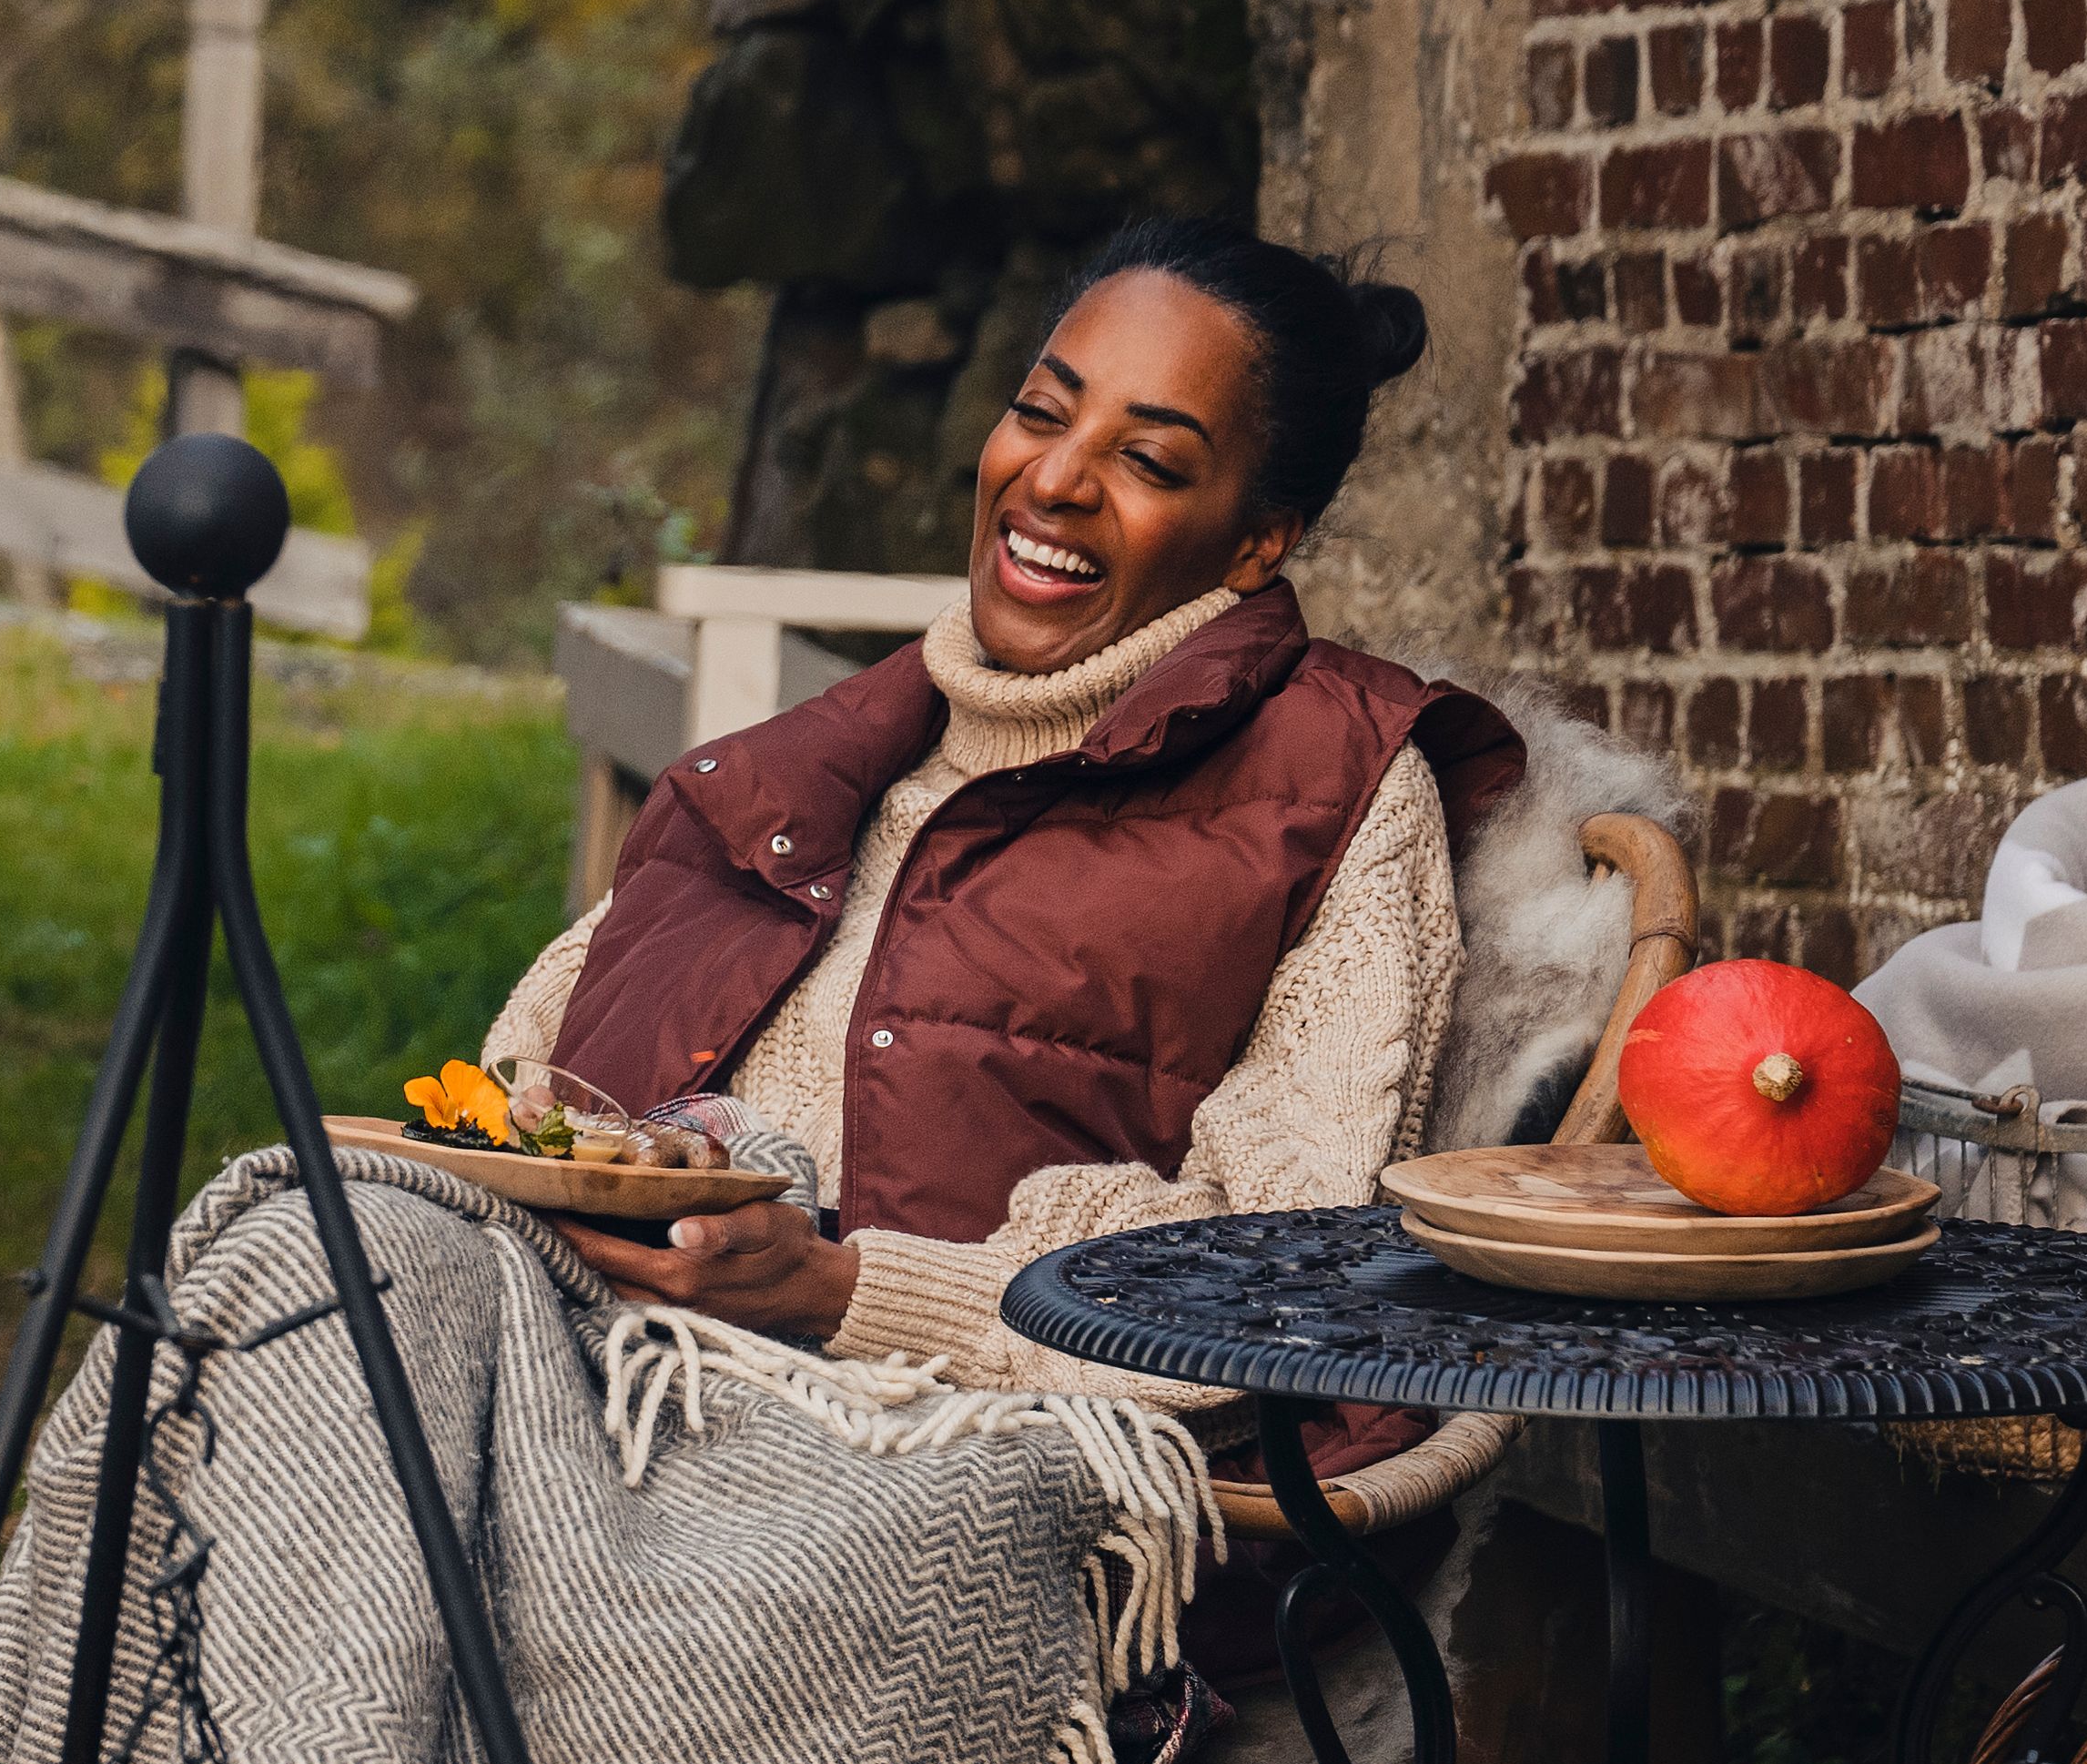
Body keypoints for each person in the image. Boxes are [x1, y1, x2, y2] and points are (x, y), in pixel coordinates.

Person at [490, 212, 1519, 1393]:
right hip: (586, 1361)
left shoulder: (1337, 784)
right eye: (1040, 412)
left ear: (1257, 542)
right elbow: (519, 1087)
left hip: (925, 1447)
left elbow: (1284, 1278)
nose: (1057, 478)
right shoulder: (790, 772)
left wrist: (848, 1294)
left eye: (1151, 462)